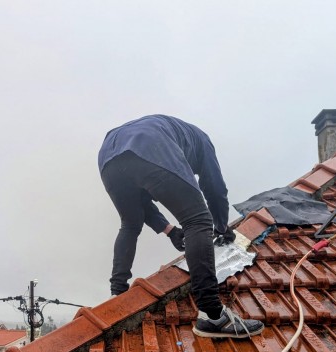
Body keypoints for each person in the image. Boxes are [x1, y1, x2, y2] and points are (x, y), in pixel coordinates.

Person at [98, 114, 264, 339]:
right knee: (198, 220)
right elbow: (214, 188)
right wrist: (222, 227)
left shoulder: (175, 134)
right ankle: (212, 315)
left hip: (108, 155)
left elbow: (142, 203)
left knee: (130, 222)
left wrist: (169, 230)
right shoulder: (203, 142)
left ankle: (117, 294)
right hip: (149, 143)